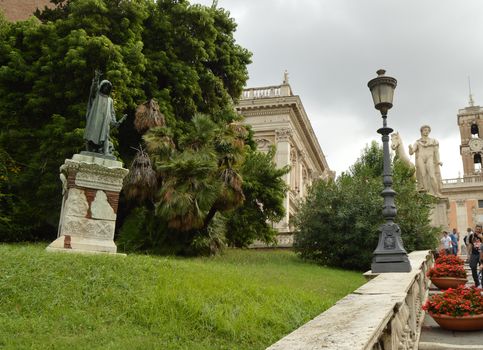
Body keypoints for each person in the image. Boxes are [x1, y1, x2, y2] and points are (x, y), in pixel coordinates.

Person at [84, 70, 125, 156]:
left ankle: (105, 151)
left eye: (108, 87)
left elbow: (112, 112)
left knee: (105, 136)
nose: (106, 88)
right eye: (105, 86)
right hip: (95, 120)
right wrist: (96, 78)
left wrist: (114, 122)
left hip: (105, 122)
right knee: (91, 136)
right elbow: (94, 89)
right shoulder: (96, 96)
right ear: (101, 86)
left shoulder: (110, 100)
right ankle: (90, 149)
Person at [409, 125, 443, 197]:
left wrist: (438, 160)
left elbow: (436, 152)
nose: (426, 132)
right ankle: (426, 192)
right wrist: (410, 148)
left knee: (432, 175)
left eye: (428, 130)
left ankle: (436, 192)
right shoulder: (417, 142)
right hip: (421, 158)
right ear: (421, 131)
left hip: (429, 157)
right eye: (425, 130)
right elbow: (411, 152)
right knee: (423, 175)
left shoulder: (433, 141)